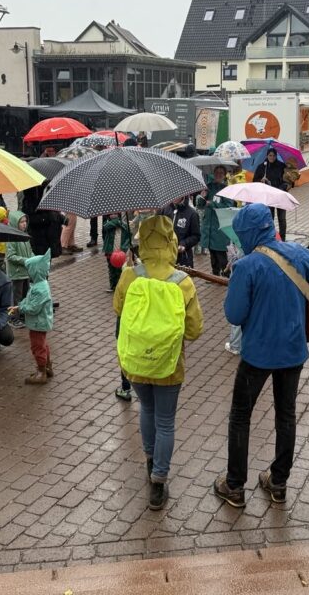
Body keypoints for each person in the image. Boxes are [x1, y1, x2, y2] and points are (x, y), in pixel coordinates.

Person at [213, 204, 309, 508]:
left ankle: (235, 485)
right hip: (293, 350)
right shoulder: (296, 252)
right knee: (286, 414)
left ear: (247, 233)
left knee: (241, 416)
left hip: (258, 354)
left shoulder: (247, 265)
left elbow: (234, 313)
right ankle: (278, 482)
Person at [114, 215, 203, 510]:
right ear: (170, 242)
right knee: (166, 420)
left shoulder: (130, 275)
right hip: (169, 365)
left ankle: (150, 460)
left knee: (146, 409)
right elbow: (193, 330)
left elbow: (118, 308)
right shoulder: (182, 281)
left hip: (136, 363)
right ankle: (159, 481)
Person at [14, 252, 55, 384]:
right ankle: (47, 366)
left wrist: (21, 308)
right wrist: (20, 305)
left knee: (37, 346)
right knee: (43, 344)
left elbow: (33, 308)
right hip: (40, 322)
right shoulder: (40, 284)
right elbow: (29, 299)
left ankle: (41, 371)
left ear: (35, 270)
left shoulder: (39, 289)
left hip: (38, 323)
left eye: (30, 269)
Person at [197, 166, 235, 275]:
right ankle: (215, 274)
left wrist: (212, 204)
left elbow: (228, 206)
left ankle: (226, 274)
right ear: (213, 173)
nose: (218, 175)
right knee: (212, 251)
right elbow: (200, 205)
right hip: (209, 224)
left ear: (224, 175)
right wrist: (201, 197)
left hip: (219, 225)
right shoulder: (208, 187)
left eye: (221, 173)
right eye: (216, 172)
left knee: (220, 252)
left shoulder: (227, 190)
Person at [5, 210, 33, 326]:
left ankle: (22, 315)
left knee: (25, 295)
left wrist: (34, 258)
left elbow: (29, 251)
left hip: (25, 272)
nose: (24, 224)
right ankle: (12, 317)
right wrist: (25, 260)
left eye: (25, 221)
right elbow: (11, 256)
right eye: (21, 222)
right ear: (14, 223)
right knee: (15, 297)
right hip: (16, 273)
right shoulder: (11, 238)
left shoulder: (24, 236)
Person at [253, 148, 288, 240]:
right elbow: (254, 180)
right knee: (269, 218)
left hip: (280, 196)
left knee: (282, 219)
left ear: (276, 156)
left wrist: (281, 188)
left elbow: (287, 181)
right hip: (268, 197)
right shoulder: (262, 167)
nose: (272, 157)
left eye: (274, 155)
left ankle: (282, 238)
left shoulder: (282, 166)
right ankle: (271, 238)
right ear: (267, 156)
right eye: (270, 155)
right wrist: (261, 180)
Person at [23, 182, 64, 258]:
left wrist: (60, 218)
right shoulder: (31, 194)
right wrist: (47, 217)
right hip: (39, 238)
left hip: (51, 236)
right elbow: (29, 218)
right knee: (41, 264)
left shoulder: (50, 189)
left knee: (47, 263)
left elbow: (54, 211)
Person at [163, 196, 200, 268]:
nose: (174, 196)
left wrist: (184, 244)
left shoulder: (192, 213)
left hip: (183, 257)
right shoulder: (164, 209)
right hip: (165, 255)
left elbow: (196, 236)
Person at [102, 213, 131, 291]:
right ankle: (113, 285)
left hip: (120, 253)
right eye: (111, 214)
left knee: (120, 270)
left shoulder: (123, 225)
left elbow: (129, 236)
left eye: (115, 214)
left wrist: (125, 247)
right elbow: (106, 227)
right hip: (110, 252)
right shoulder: (108, 223)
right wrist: (116, 222)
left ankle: (120, 285)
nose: (113, 215)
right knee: (111, 269)